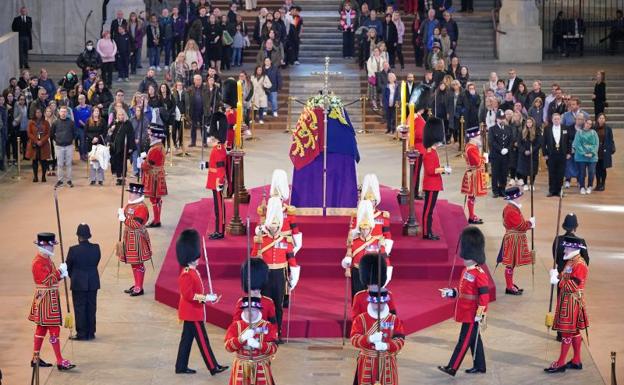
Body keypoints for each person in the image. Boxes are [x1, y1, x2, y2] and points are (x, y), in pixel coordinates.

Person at [174, 229, 228, 375]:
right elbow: (189, 295)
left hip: (192, 312)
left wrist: (208, 297)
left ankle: (181, 366)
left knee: (186, 341)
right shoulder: (186, 274)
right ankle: (213, 366)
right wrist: (206, 298)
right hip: (192, 313)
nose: (198, 258)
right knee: (203, 341)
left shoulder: (192, 271)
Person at [438, 226, 490, 376]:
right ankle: (480, 366)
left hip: (472, 313)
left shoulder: (480, 274)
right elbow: (464, 292)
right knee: (474, 339)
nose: (463, 258)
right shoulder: (466, 271)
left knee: (464, 341)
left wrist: (480, 313)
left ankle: (452, 367)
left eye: (466, 256)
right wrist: (451, 292)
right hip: (466, 310)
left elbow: (484, 297)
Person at [350, 253, 405, 385]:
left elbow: (392, 320)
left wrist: (387, 344)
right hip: (367, 349)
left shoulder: (388, 295)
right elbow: (355, 323)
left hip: (385, 349)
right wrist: (369, 338)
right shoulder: (359, 297)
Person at [253, 197, 301, 343]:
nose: (274, 228)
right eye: (272, 225)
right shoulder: (261, 240)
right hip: (266, 275)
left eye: (276, 225)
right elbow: (253, 259)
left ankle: (277, 333)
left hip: (280, 275)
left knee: (278, 306)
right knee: (265, 304)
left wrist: (294, 276)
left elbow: (292, 260)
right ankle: (265, 332)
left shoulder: (286, 240)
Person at [28, 232, 76, 370]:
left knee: (41, 328)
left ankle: (35, 358)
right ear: (45, 246)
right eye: (51, 246)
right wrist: (60, 272)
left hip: (48, 298)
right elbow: (47, 281)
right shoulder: (38, 262)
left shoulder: (47, 259)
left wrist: (61, 274)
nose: (53, 248)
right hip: (46, 300)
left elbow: (52, 279)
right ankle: (60, 360)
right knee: (54, 328)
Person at [545, 236, 589, 373]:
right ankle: (576, 361)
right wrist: (557, 275)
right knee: (574, 331)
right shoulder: (571, 261)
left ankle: (561, 363)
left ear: (576, 249)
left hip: (572, 302)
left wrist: (558, 281)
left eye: (568, 248)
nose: (565, 249)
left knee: (566, 333)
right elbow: (565, 276)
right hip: (567, 300)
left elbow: (572, 285)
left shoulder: (580, 265)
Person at [342, 200, 391, 298]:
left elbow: (384, 256)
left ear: (371, 229)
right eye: (363, 229)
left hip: (371, 271)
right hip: (357, 270)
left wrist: (387, 268)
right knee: (357, 295)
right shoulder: (354, 241)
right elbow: (348, 256)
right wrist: (347, 269)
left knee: (371, 296)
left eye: (367, 229)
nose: (365, 231)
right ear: (359, 229)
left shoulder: (377, 241)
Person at [65, 224, 100, 340]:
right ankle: (91, 332)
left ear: (78, 236)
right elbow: (96, 262)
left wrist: (73, 276)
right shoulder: (96, 248)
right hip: (93, 282)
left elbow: (68, 267)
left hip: (78, 283)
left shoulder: (73, 250)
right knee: (91, 308)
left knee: (80, 308)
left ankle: (82, 333)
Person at [498, 186, 535, 295]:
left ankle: (510, 284)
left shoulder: (511, 208)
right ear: (514, 198)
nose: (519, 199)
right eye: (518, 197)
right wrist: (530, 224)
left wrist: (529, 223)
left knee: (511, 264)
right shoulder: (511, 210)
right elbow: (521, 226)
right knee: (510, 264)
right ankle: (509, 287)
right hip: (513, 240)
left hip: (514, 239)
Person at [117, 183, 152, 296]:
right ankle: (137, 284)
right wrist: (121, 214)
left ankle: (139, 287)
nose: (130, 195)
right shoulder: (130, 205)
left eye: (132, 193)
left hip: (137, 238)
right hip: (129, 236)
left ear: (138, 194)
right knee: (133, 263)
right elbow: (126, 218)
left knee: (138, 263)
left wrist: (124, 218)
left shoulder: (141, 207)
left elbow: (136, 224)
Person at [422, 117, 451, 240]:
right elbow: (431, 171)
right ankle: (426, 232)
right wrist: (444, 169)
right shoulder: (429, 153)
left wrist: (443, 170)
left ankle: (428, 231)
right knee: (428, 210)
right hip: (431, 185)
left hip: (434, 184)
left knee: (430, 210)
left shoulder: (433, 151)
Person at [205, 107, 228, 239]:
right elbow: (215, 164)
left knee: (219, 208)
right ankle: (218, 229)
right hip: (214, 180)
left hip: (216, 182)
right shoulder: (217, 148)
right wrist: (207, 165)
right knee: (217, 207)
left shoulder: (218, 149)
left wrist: (220, 181)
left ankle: (219, 231)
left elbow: (220, 167)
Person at [140, 125, 168, 227]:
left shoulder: (155, 149)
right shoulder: (160, 147)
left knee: (154, 199)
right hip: (158, 175)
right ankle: (157, 219)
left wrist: (142, 163)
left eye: (151, 135)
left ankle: (156, 220)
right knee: (157, 199)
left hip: (154, 177)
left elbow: (148, 165)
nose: (149, 136)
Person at [461, 126, 488, 224]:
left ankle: (472, 215)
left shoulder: (471, 146)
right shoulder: (471, 148)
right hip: (473, 175)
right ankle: (471, 217)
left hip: (473, 174)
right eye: (478, 136)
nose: (480, 138)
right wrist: (484, 159)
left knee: (472, 196)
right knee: (471, 196)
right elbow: (476, 163)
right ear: (473, 137)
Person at [543, 113, 571, 197]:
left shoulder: (565, 128)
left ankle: (559, 190)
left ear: (560, 120)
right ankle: (551, 190)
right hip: (551, 154)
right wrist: (545, 153)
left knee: (561, 173)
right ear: (552, 120)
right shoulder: (547, 128)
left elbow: (568, 141)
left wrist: (569, 152)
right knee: (551, 172)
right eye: (555, 119)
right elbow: (544, 142)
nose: (556, 120)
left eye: (558, 119)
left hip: (562, 154)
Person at [488, 110, 512, 198]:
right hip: (496, 155)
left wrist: (507, 149)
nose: (501, 120)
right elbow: (491, 142)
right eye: (499, 118)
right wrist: (500, 149)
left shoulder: (508, 128)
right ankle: (495, 191)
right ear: (496, 119)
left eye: (503, 118)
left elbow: (511, 141)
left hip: (505, 155)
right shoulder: (492, 129)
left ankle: (502, 189)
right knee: (495, 173)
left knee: (504, 173)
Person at [109, 108, 136, 185]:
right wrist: (111, 129)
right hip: (116, 147)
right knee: (116, 162)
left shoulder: (128, 123)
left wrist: (131, 147)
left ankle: (123, 178)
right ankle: (118, 178)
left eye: (122, 115)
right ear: (117, 115)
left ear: (124, 115)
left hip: (125, 146)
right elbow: (109, 133)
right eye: (119, 115)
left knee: (123, 162)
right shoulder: (114, 123)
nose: (121, 116)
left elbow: (131, 135)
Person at [51, 106, 75, 188]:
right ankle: (60, 180)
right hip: (59, 146)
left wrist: (70, 140)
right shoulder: (55, 123)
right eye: (62, 111)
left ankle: (69, 180)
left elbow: (74, 133)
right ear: (59, 112)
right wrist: (57, 140)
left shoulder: (71, 122)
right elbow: (52, 134)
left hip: (69, 146)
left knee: (68, 164)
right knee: (60, 164)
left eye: (65, 111)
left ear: (67, 113)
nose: (63, 113)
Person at [572, 117, 599, 195]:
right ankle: (582, 187)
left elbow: (596, 144)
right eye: (587, 123)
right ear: (584, 123)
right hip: (581, 156)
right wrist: (584, 153)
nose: (588, 125)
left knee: (591, 172)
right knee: (582, 173)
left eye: (590, 124)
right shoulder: (579, 133)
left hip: (592, 157)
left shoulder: (594, 133)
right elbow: (577, 144)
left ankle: (590, 186)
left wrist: (592, 153)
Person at [516, 117, 542, 190]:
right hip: (523, 154)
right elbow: (519, 143)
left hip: (533, 154)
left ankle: (531, 184)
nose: (529, 124)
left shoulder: (537, 132)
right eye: (527, 122)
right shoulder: (522, 131)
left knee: (533, 169)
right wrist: (524, 151)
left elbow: (539, 143)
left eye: (530, 122)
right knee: (524, 170)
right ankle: (525, 184)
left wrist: (532, 150)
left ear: (533, 123)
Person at [594, 113, 615, 191]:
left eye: (603, 118)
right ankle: (597, 184)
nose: (601, 120)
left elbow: (611, 140)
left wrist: (612, 149)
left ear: (605, 119)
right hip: (596, 151)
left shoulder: (608, 129)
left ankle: (603, 184)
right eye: (600, 118)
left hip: (605, 151)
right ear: (597, 119)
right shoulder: (594, 128)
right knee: (596, 168)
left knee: (603, 168)